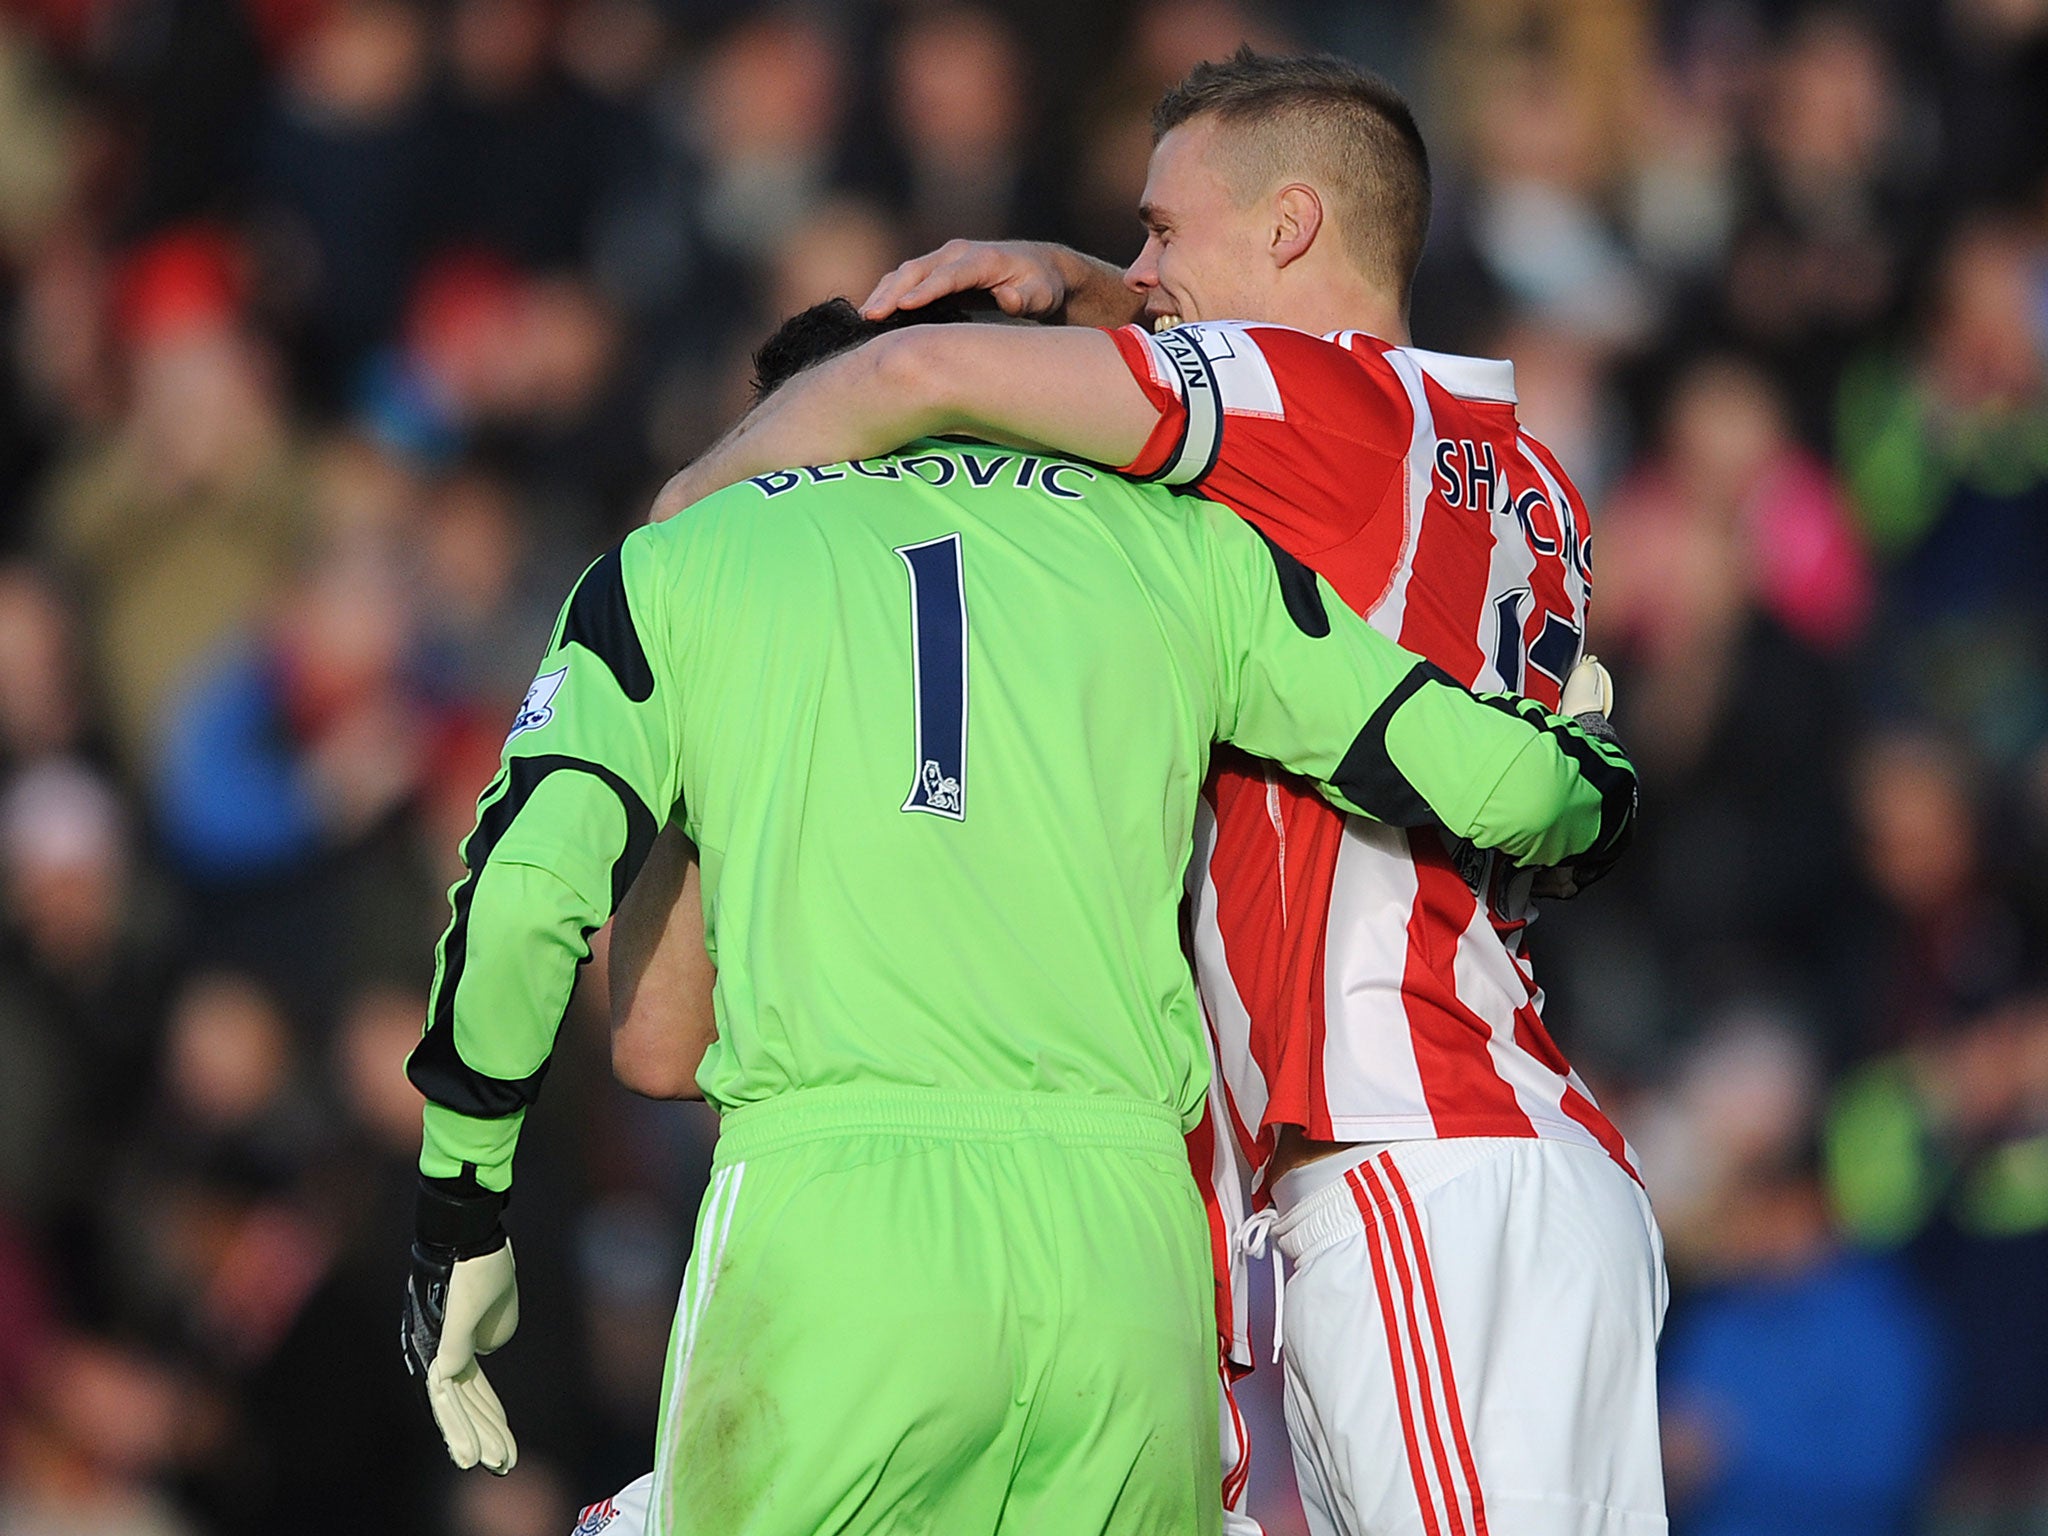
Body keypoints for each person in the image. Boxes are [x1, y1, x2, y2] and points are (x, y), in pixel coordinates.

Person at [398, 293, 1637, 1536]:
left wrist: (463, 1197)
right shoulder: (1177, 548)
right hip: (1125, 1262)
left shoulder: (681, 566)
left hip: (839, 1221)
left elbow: (526, 901)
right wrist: (1594, 792)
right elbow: (1497, 777)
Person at [648, 49, 1667, 1536]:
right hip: (1483, 1156)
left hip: (1410, 1155)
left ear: (1294, 226)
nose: (1138, 269)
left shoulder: (1314, 412)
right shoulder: (1514, 471)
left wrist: (682, 539)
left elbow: (916, 372)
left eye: (1160, 232)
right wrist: (1099, 286)